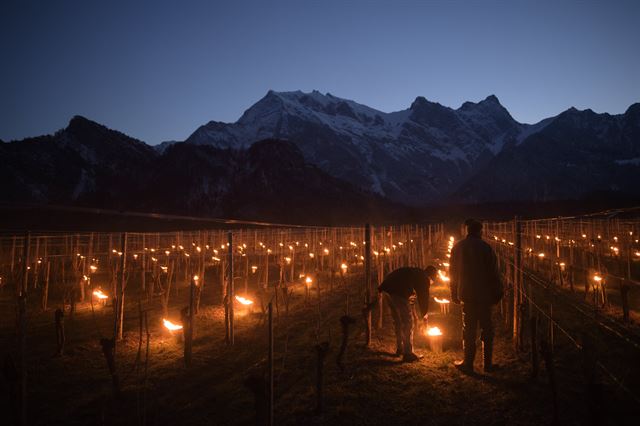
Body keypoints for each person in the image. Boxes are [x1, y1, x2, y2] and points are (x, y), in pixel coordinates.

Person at [450, 219, 503, 374]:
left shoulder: (457, 248)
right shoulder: (486, 248)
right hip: (485, 295)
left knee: (469, 329)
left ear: (468, 231)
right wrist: (498, 292)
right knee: (487, 329)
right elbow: (494, 272)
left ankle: (468, 363)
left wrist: (454, 292)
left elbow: (452, 273)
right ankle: (488, 364)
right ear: (480, 231)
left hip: (466, 294)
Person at [378, 266, 438, 362]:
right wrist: (425, 314)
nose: (430, 284)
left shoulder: (416, 273)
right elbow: (423, 297)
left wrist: (416, 311)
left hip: (387, 289)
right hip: (398, 291)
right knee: (407, 322)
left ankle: (400, 348)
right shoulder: (424, 278)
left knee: (398, 320)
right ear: (430, 277)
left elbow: (412, 297)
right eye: (431, 282)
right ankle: (408, 353)